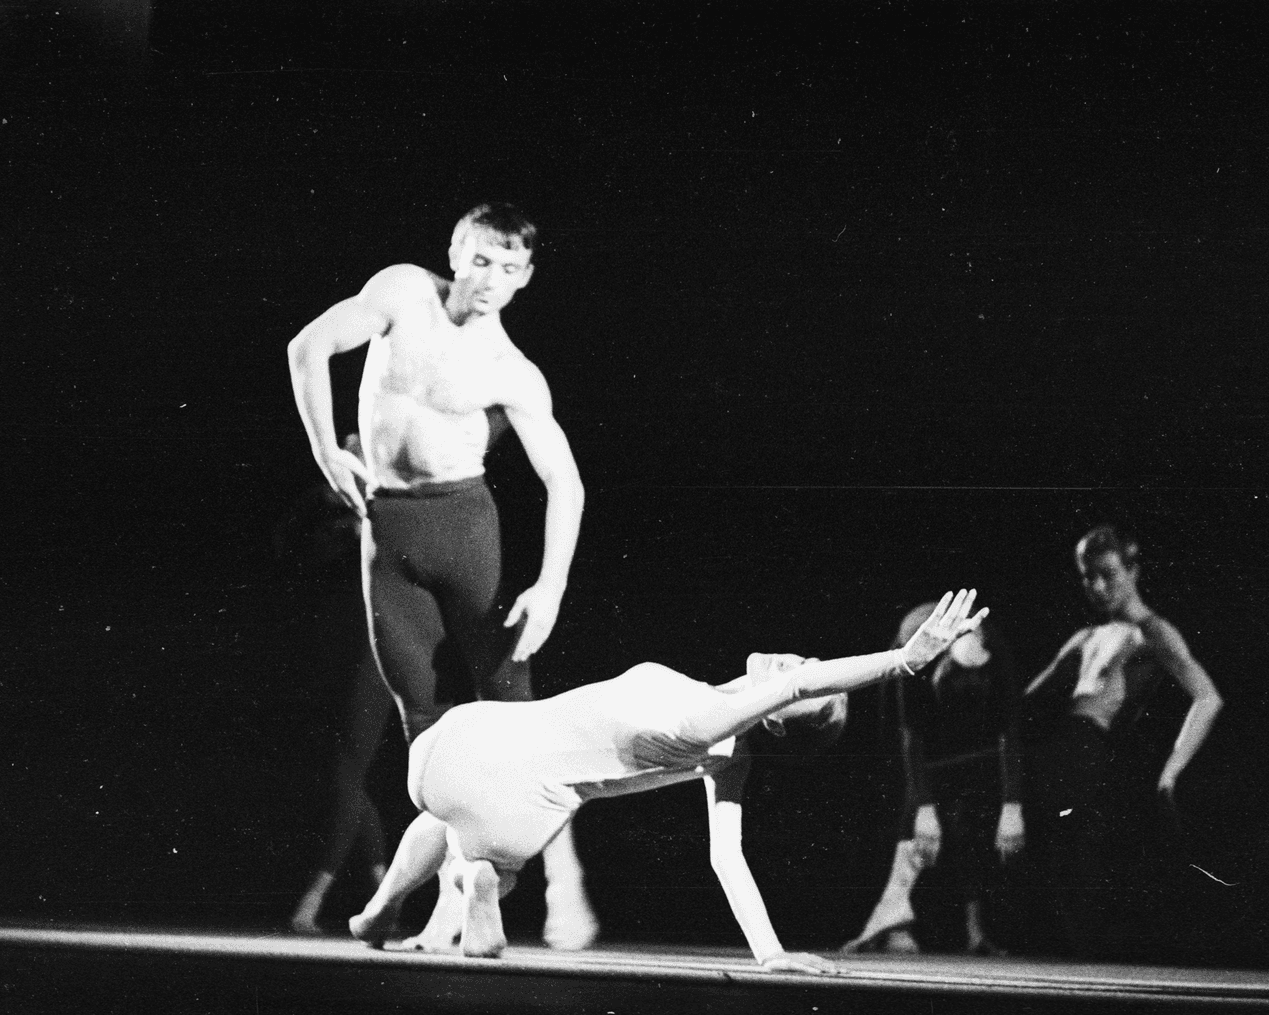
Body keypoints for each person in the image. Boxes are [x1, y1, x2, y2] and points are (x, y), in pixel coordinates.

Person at [347, 591, 988, 972]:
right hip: (503, 804)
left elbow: (798, 683)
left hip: (461, 748)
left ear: (779, 725)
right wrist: (768, 954)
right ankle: (465, 881)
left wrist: (903, 661)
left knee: (444, 810)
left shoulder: (711, 723)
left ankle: (413, 897)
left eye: (808, 691)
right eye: (813, 664)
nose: (800, 664)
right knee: (469, 830)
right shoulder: (714, 736)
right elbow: (727, 859)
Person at [286, 203, 596, 949]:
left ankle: (565, 879)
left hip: (465, 531)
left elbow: (567, 480)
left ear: (526, 279)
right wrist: (328, 450)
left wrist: (550, 584)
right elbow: (309, 346)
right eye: (483, 261)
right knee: (423, 734)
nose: (492, 281)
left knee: (516, 712)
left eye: (511, 269)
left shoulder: (509, 367)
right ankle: (456, 894)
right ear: (456, 252)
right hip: (388, 535)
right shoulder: (401, 293)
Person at [1023, 525, 1223, 957]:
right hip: (1060, 747)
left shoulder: (1152, 631)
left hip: (1090, 748)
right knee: (1059, 856)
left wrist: (1172, 771)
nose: (1097, 586)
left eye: (1108, 574)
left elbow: (1207, 697)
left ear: (1133, 571)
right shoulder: (1087, 636)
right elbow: (1023, 704)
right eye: (1087, 576)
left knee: (1079, 855)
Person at [843, 604, 1024, 956]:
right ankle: (894, 919)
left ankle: (975, 931)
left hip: (966, 730)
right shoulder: (918, 653)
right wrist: (925, 807)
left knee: (966, 808)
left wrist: (1012, 804)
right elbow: (909, 735)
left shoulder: (997, 655)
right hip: (909, 705)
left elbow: (1008, 730)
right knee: (909, 798)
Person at [279, 437, 399, 935]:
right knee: (349, 779)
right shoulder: (333, 519)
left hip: (369, 658)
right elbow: (288, 545)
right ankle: (382, 898)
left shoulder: (383, 514)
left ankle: (314, 901)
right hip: (330, 654)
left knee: (348, 774)